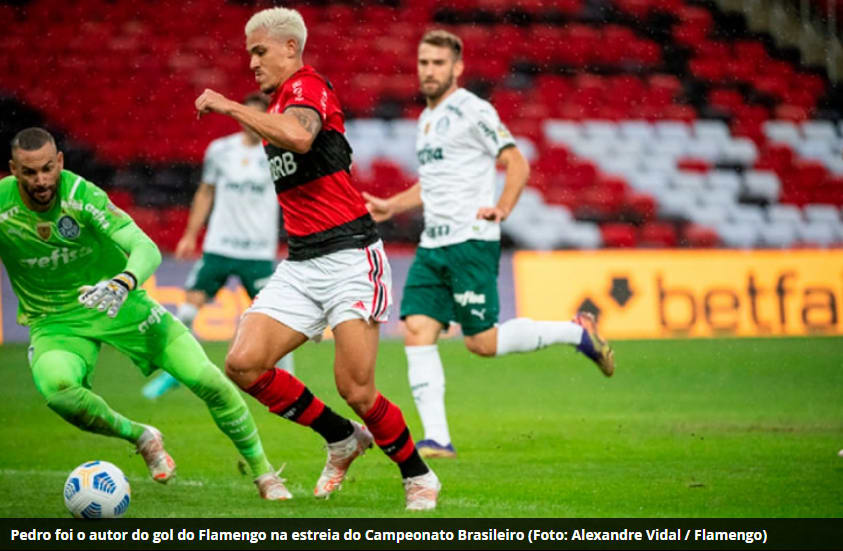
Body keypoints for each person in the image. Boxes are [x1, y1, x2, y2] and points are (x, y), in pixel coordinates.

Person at [192, 7, 439, 510]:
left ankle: (418, 475)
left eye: (260, 52)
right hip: (302, 263)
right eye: (249, 55)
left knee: (357, 388)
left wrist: (228, 107)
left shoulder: (307, 88)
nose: (253, 64)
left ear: (289, 47)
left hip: (351, 256)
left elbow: (303, 136)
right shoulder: (278, 101)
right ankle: (341, 438)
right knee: (243, 363)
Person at [362, 30, 616, 459]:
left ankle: (577, 333)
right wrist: (391, 205)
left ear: (457, 68)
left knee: (483, 343)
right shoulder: (426, 120)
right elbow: (435, 182)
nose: (429, 71)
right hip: (432, 245)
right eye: (423, 62)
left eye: (438, 63)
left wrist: (502, 207)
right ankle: (437, 438)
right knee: (417, 329)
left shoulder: (473, 110)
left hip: (470, 242)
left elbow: (516, 160)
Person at [1, 127, 290, 501]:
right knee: (58, 392)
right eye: (29, 172)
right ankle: (141, 436)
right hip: (54, 320)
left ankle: (265, 474)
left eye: (46, 169)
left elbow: (145, 247)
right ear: (13, 170)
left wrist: (123, 281)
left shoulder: (83, 195)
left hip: (121, 304)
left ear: (59, 162)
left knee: (209, 382)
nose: (40, 180)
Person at [141, 92, 294, 400]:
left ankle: (289, 379)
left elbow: (292, 196)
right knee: (186, 310)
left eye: (256, 116)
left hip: (257, 252)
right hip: (219, 246)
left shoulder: (278, 153)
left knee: (279, 318)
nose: (249, 123)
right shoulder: (220, 150)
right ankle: (178, 372)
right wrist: (189, 234)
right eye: (244, 116)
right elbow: (205, 192)